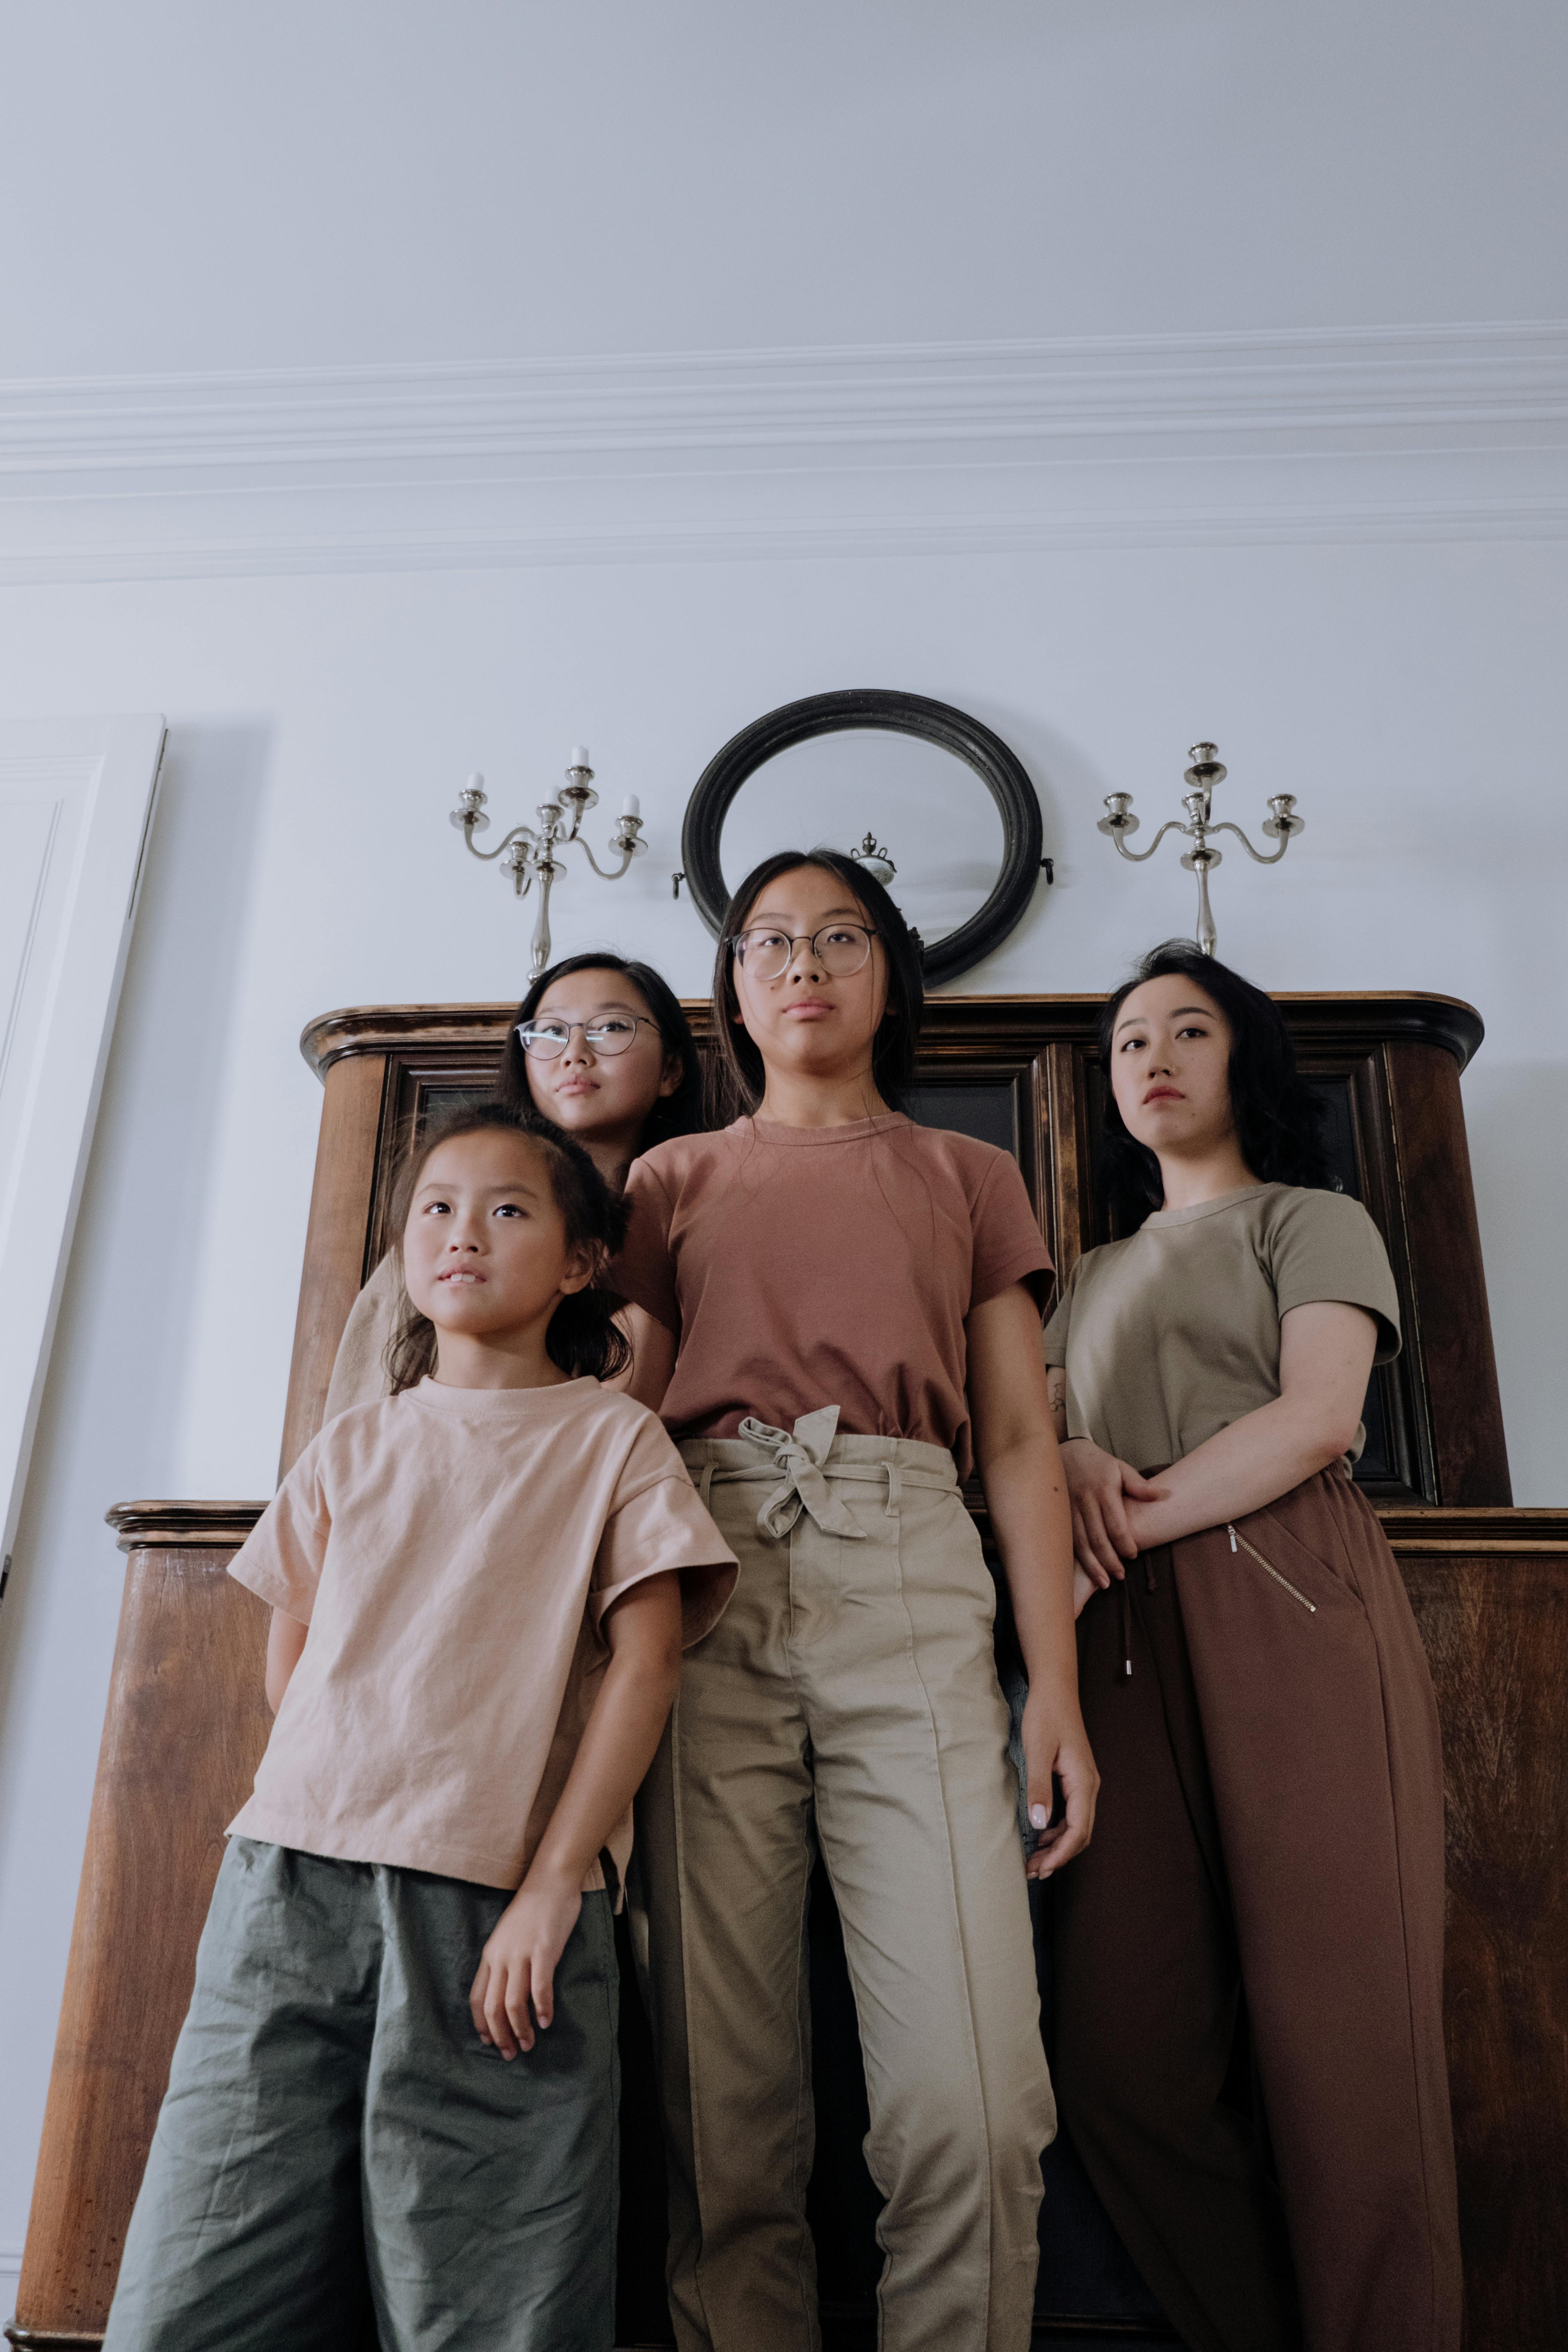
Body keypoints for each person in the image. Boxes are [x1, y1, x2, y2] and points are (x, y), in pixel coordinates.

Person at [104, 1104, 736, 2352]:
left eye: (508, 1209)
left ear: (577, 1262)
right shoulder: (353, 1443)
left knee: (496, 2294)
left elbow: (648, 1661)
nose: (462, 1233)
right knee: (204, 2268)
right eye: (436, 1208)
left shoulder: (615, 1442)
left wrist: (557, 1885)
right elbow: (295, 1658)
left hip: (499, 1912)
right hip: (287, 1888)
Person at [613, 850, 1096, 2352]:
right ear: (733, 987)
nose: (801, 960)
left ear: (888, 970)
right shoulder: (666, 1181)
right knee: (722, 2106)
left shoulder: (971, 1177)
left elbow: (1016, 1445)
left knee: (974, 2098)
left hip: (912, 1573)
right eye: (767, 939)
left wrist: (1054, 1694)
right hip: (703, 1579)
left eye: (837, 935)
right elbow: (613, 1430)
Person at [1046, 941, 1461, 2352]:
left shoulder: (1310, 1216)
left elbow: (1317, 1420)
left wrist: (1126, 1504)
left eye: (1187, 1031)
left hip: (1281, 1587)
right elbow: (1034, 1437)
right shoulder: (1082, 1272)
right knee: (1120, 2057)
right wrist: (1076, 1456)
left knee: (1348, 2044)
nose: (1151, 1058)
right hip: (1111, 1636)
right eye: (1126, 1044)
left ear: (1245, 1061)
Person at [325, 951, 705, 1418]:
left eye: (610, 1027)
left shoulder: (695, 1223)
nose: (575, 1053)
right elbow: (355, 1429)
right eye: (549, 1031)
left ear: (671, 1069)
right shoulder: (441, 1241)